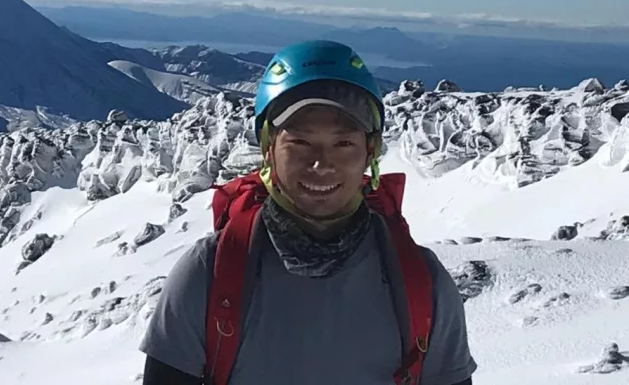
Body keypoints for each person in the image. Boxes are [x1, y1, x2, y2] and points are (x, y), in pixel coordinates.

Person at [139, 40, 477, 385]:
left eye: (343, 144)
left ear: (369, 153)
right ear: (269, 149)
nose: (321, 164)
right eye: (300, 142)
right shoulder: (208, 272)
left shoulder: (423, 282)